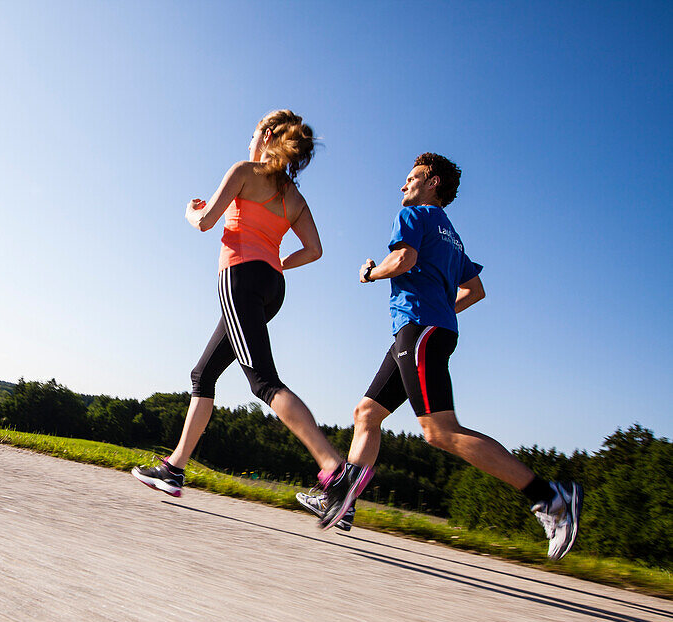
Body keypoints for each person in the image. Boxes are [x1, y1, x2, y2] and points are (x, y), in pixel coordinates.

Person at [299, 153, 582, 559]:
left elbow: (403, 260)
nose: (403, 186)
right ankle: (342, 503)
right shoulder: (451, 234)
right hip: (427, 330)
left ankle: (551, 497)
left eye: (411, 178)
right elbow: (475, 290)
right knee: (367, 413)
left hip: (418, 331)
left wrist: (371, 273)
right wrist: (442, 311)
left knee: (440, 432)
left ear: (431, 182)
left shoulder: (414, 215)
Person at [131, 110, 356, 512]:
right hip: (271, 286)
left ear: (266, 136)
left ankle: (334, 469)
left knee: (264, 382)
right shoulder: (295, 197)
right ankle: (174, 468)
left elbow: (204, 222)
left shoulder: (244, 171)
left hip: (240, 279)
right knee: (204, 374)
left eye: (253, 134)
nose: (249, 142)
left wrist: (190, 211)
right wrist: (276, 262)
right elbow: (315, 250)